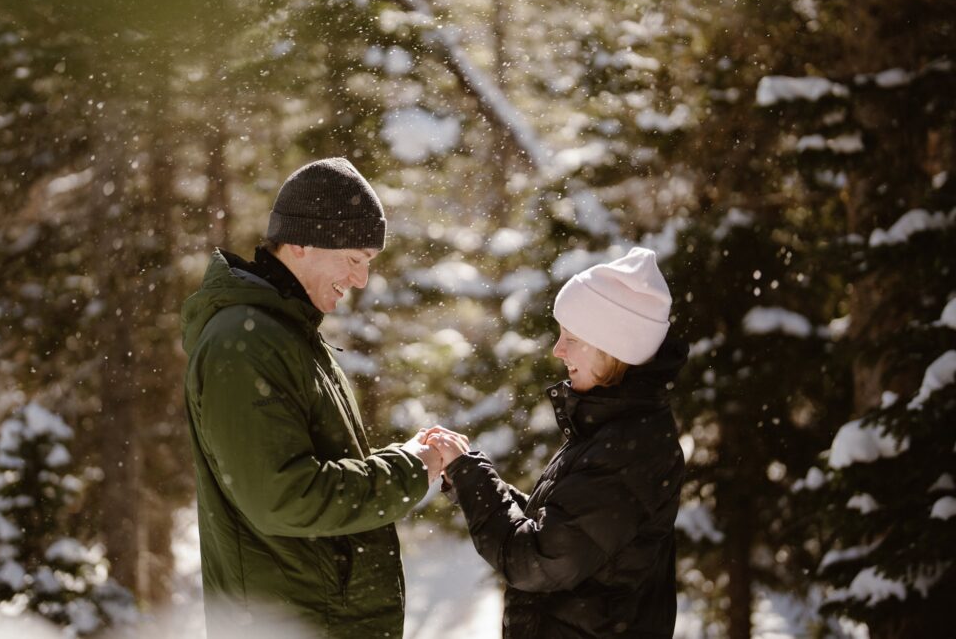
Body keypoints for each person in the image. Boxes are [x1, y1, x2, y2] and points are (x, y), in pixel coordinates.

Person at [181, 157, 446, 639]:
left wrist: (406, 459)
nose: (362, 279)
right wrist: (410, 471)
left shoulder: (290, 338)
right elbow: (284, 496)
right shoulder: (245, 345)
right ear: (301, 243)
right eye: (354, 258)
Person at [427, 247, 687, 638]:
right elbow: (554, 530)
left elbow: (536, 560)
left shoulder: (630, 447)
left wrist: (471, 477)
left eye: (572, 338)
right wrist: (466, 476)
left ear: (611, 348)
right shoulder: (613, 430)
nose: (558, 350)